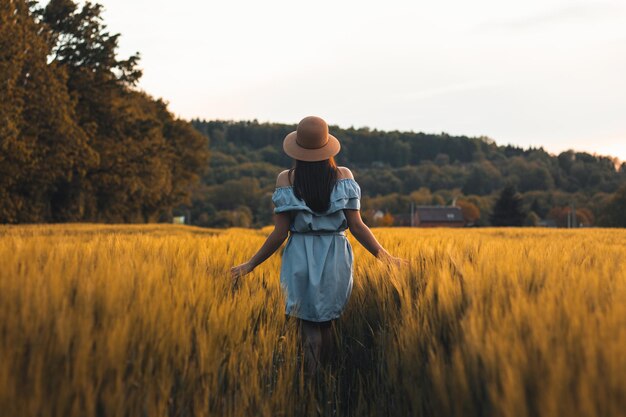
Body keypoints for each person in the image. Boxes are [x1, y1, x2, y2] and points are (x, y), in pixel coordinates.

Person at [230, 116, 408, 377]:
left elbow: (279, 233)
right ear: (328, 148)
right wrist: (387, 258)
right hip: (335, 254)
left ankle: (312, 383)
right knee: (327, 323)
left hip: (300, 254)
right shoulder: (344, 176)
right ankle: (330, 382)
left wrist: (250, 264)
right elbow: (357, 226)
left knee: (309, 325)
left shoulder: (285, 180)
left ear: (297, 150)